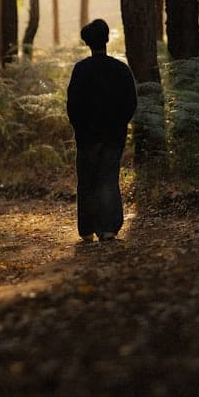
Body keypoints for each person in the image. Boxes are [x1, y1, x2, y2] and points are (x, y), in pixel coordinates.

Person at [66, 18, 138, 242]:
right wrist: (120, 125)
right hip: (113, 135)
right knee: (108, 178)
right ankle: (108, 228)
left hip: (87, 136)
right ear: (106, 39)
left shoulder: (81, 70)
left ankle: (87, 230)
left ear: (88, 43)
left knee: (87, 181)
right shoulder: (121, 69)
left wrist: (80, 127)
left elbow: (73, 105)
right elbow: (131, 103)